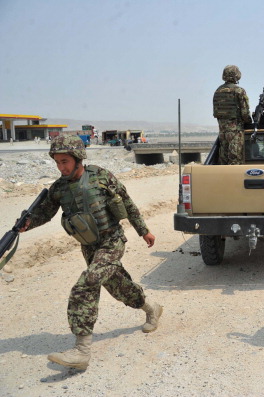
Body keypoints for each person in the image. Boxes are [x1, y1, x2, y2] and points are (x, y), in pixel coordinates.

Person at [19, 135, 163, 370]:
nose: (61, 167)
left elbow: (127, 202)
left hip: (112, 241)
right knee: (118, 286)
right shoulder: (59, 188)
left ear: (78, 158)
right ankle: (151, 308)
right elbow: (44, 213)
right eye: (57, 162)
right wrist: (27, 224)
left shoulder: (100, 176)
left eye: (65, 161)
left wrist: (143, 230)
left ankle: (81, 350)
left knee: (87, 282)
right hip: (89, 246)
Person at [213, 65, 252, 165]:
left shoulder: (218, 91)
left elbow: (217, 113)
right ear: (236, 75)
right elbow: (245, 113)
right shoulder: (239, 91)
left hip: (222, 132)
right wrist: (249, 122)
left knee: (224, 159)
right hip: (235, 131)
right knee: (235, 159)